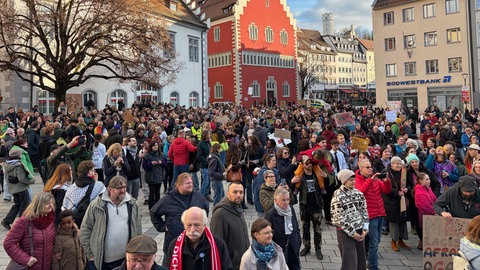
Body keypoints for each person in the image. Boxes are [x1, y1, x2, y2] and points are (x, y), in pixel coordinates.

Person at [80, 176, 142, 270]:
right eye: (119, 188)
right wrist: (90, 254)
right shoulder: (96, 205)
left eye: (124, 187)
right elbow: (85, 229)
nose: (123, 190)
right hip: (101, 261)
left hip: (125, 260)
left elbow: (138, 229)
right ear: (110, 189)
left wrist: (137, 250)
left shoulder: (133, 204)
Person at [150, 173, 209, 260]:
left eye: (191, 183)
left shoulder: (198, 196)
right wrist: (162, 226)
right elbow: (154, 213)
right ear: (179, 185)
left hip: (194, 243)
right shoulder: (168, 199)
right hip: (173, 242)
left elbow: (205, 210)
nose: (191, 185)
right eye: (187, 183)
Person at [164, 206, 233, 269]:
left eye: (197, 225)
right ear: (184, 225)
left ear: (204, 225)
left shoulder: (218, 244)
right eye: (189, 225)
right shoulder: (174, 245)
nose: (192, 229)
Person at [4, 192, 56, 269]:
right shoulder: (25, 221)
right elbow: (8, 243)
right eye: (47, 203)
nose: (51, 206)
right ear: (38, 205)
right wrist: (25, 259)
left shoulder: (51, 219)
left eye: (51, 202)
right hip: (31, 267)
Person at [355, 159, 392, 270]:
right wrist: (370, 180)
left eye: (370, 166)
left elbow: (386, 191)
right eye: (367, 167)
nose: (370, 168)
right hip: (369, 216)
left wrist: (386, 181)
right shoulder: (357, 179)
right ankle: (373, 266)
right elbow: (360, 193)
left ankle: (369, 262)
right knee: (374, 243)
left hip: (380, 213)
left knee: (377, 241)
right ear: (360, 169)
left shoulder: (375, 179)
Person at [331, 169, 369, 270]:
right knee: (350, 262)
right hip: (345, 232)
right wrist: (353, 233)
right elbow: (338, 218)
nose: (353, 182)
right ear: (344, 181)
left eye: (354, 179)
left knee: (361, 261)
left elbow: (364, 211)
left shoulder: (358, 193)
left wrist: (365, 228)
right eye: (350, 180)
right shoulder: (338, 195)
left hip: (359, 230)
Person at [210, 182, 250, 270]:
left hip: (242, 263)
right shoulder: (220, 214)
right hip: (231, 265)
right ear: (228, 193)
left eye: (241, 192)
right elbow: (217, 245)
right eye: (235, 192)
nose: (238, 195)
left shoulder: (238, 209)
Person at [291, 155, 324, 260]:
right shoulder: (300, 176)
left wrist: (327, 177)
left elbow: (326, 186)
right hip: (304, 206)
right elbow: (292, 190)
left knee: (317, 229)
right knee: (305, 227)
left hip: (316, 205)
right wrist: (292, 182)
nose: (310, 165)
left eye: (311, 163)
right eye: (307, 163)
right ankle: (307, 246)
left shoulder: (317, 174)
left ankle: (318, 249)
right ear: (303, 165)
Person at [265, 188, 302, 270]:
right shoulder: (270, 215)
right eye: (283, 200)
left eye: (288, 199)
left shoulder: (291, 209)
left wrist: (298, 241)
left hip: (293, 246)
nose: (286, 203)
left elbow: (296, 226)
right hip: (279, 250)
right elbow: (266, 237)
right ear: (276, 200)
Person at [1, 148, 35, 230]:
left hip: (13, 189)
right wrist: (32, 180)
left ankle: (7, 221)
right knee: (24, 206)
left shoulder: (6, 164)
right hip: (22, 189)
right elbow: (22, 178)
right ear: (18, 155)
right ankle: (22, 224)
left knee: (17, 205)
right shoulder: (18, 165)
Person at [383, 156, 412, 252]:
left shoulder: (404, 172)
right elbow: (385, 187)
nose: (399, 165)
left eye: (400, 163)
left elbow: (410, 183)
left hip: (403, 200)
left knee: (403, 221)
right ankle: (393, 241)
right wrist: (396, 193)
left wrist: (407, 189)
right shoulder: (386, 172)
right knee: (394, 222)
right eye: (397, 163)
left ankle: (401, 240)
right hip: (391, 200)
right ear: (392, 164)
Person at [414, 173, 437, 250]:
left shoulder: (428, 188)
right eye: (426, 179)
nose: (429, 181)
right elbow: (425, 206)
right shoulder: (419, 191)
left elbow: (434, 199)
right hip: (424, 215)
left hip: (430, 213)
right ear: (420, 181)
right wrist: (435, 212)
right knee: (424, 231)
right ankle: (422, 244)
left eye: (429, 179)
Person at [143, 140, 166, 209]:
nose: (155, 147)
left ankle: (157, 207)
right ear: (151, 147)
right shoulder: (147, 156)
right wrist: (150, 163)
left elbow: (165, 163)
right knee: (152, 192)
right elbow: (144, 166)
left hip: (159, 175)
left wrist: (161, 162)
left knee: (158, 193)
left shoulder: (161, 154)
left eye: (156, 145)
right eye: (154, 146)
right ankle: (151, 207)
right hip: (151, 176)